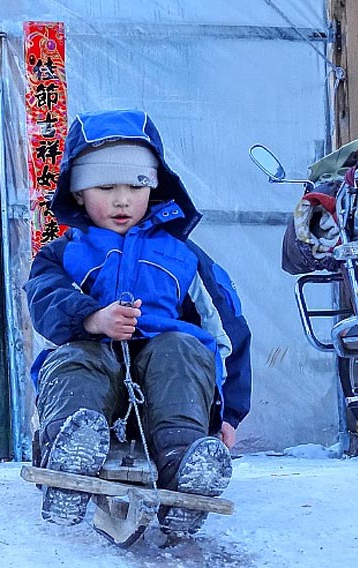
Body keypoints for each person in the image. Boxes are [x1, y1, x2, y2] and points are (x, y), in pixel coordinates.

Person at [25, 109, 252, 535]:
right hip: (96, 388)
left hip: (167, 394)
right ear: (77, 193)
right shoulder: (63, 254)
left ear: (154, 187)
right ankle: (71, 454)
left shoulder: (184, 258)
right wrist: (91, 318)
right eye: (105, 187)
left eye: (136, 185)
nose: (122, 199)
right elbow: (44, 300)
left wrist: (230, 414)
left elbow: (230, 330)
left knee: (183, 349)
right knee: (74, 360)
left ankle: (183, 468)